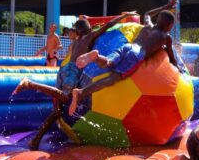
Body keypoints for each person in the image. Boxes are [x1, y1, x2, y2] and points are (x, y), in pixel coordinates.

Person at [12, 12, 136, 150]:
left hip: (64, 69)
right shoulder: (89, 37)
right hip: (72, 71)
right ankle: (30, 84)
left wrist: (89, 23)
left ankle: (36, 140)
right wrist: (122, 17)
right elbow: (108, 25)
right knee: (64, 97)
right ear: (87, 29)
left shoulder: (77, 39)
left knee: (58, 110)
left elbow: (94, 26)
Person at [70, 6, 182, 116]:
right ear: (169, 26)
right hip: (137, 54)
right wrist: (177, 66)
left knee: (108, 62)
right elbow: (172, 56)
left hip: (128, 46)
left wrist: (166, 6)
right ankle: (81, 92)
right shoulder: (166, 37)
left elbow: (147, 13)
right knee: (113, 78)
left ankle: (97, 57)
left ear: (157, 20)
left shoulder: (148, 26)